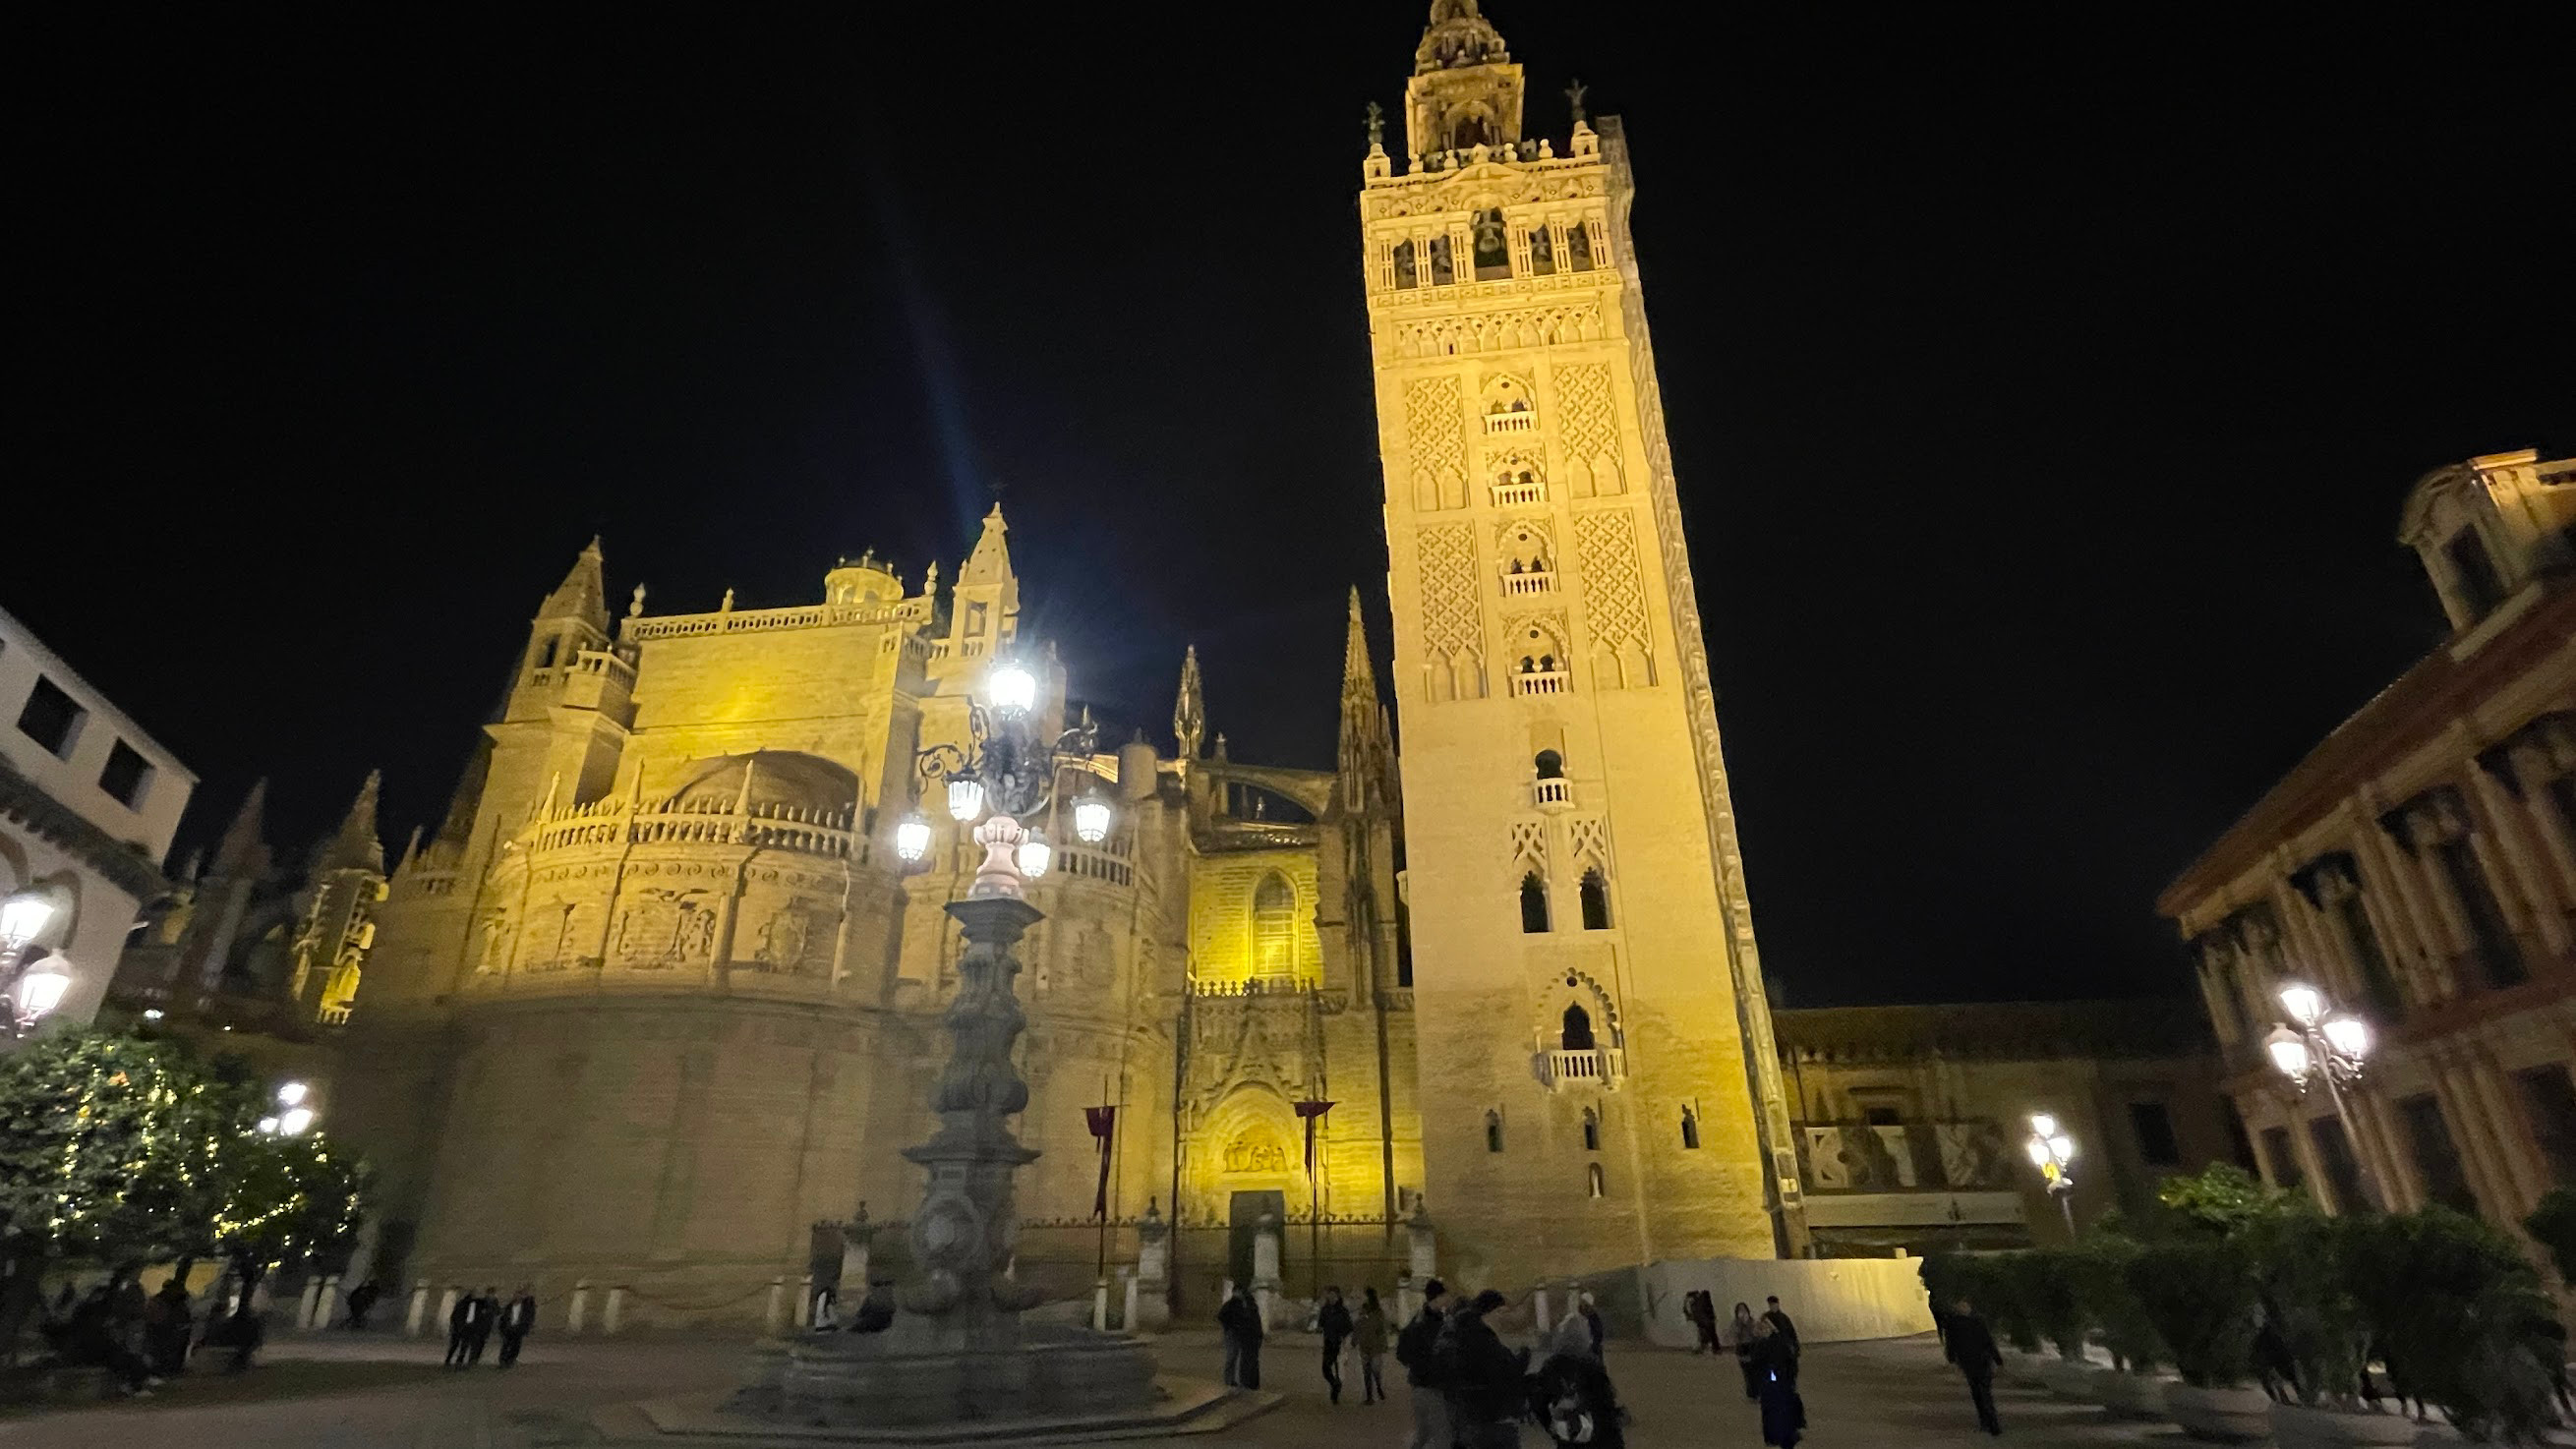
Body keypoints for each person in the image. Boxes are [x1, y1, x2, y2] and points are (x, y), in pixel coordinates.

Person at [1439, 1289, 1530, 1449]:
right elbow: (1505, 1376)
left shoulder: (1465, 1334)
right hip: (1491, 1424)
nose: (1506, 1317)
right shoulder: (1484, 1342)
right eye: (1503, 1312)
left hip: (1469, 1421)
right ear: (1494, 1312)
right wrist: (1523, 1357)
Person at [1533, 1304, 1622, 1449]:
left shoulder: (1551, 1365)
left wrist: (1550, 1424)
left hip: (1567, 1435)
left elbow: (1538, 1400)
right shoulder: (1591, 1363)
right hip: (1596, 1436)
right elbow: (1605, 1402)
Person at [1395, 1279, 1451, 1449]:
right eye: (1445, 1295)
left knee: (1423, 1434)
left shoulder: (1417, 1320)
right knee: (1442, 1438)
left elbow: (1402, 1353)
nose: (1448, 1298)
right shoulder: (1435, 1325)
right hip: (1433, 1387)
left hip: (1419, 1385)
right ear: (1438, 1297)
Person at [1943, 1296, 2005, 1436]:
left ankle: (1988, 1422)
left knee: (1980, 1392)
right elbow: (1988, 1341)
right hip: (1977, 1362)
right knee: (1982, 1392)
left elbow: (1952, 1345)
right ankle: (1989, 1422)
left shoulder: (1955, 1324)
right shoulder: (1972, 1322)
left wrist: (1952, 1361)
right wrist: (1998, 1360)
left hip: (1973, 1362)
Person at [1217, 1284, 1263, 1389]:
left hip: (1246, 1335)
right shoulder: (1232, 1304)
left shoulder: (1247, 1303)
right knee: (1232, 1356)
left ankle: (1247, 1382)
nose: (1240, 1294)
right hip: (1235, 1334)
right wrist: (1230, 1327)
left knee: (1245, 1358)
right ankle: (1230, 1380)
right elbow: (1221, 1316)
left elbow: (1253, 1319)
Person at [144, 1278, 194, 1376]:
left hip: (178, 1329)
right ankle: (165, 1370)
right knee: (165, 1351)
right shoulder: (161, 1300)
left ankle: (172, 1369)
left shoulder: (180, 1300)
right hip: (165, 1329)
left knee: (176, 1351)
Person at [1317, 1285, 1354, 1404]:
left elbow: (1348, 1328)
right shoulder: (1325, 1310)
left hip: (1339, 1344)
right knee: (1325, 1368)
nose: (1332, 1298)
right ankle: (1334, 1384)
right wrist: (1319, 1328)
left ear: (1338, 1297)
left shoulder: (1343, 1311)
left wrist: (1346, 1341)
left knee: (1339, 1371)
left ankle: (1335, 1394)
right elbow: (1320, 1324)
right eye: (1330, 1295)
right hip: (1328, 1343)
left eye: (1334, 1296)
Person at [1353, 1287, 1390, 1405]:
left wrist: (1383, 1345)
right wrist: (1355, 1340)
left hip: (1375, 1346)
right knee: (1366, 1371)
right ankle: (1370, 1396)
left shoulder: (1378, 1313)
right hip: (1365, 1345)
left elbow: (1382, 1330)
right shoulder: (1363, 1312)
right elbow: (1357, 1327)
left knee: (1375, 1370)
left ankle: (1378, 1387)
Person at [1728, 1301, 1762, 1400]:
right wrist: (1740, 1325)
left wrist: (1749, 1325)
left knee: (1755, 1370)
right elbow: (1735, 1336)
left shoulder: (1752, 1321)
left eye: (1744, 1310)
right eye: (1740, 1310)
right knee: (1747, 1372)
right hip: (1742, 1348)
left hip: (1752, 1347)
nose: (1742, 1312)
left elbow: (1757, 1334)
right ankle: (1751, 1393)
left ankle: (1757, 1391)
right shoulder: (1735, 1323)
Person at [497, 1286, 537, 1367]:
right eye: (516, 1295)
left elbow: (530, 1312)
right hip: (509, 1328)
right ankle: (503, 1361)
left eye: (519, 1295)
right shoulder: (509, 1306)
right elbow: (504, 1318)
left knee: (516, 1345)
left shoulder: (525, 1307)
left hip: (518, 1329)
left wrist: (527, 1326)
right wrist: (502, 1328)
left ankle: (510, 1360)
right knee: (506, 1345)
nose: (517, 1297)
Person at [465, 1287, 500, 1366]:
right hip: (479, 1326)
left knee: (481, 1343)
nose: (491, 1296)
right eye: (490, 1294)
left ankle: (475, 1359)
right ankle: (472, 1359)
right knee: (475, 1344)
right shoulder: (482, 1302)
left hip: (487, 1326)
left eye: (493, 1294)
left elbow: (497, 1312)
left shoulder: (495, 1302)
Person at [444, 1291, 477, 1367]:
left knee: (460, 1345)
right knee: (459, 1345)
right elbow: (455, 1316)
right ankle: (455, 1360)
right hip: (462, 1327)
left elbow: (454, 1316)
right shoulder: (463, 1305)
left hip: (465, 1327)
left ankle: (455, 1359)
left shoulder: (462, 1304)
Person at [1762, 1295, 1800, 1359]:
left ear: (1777, 1304)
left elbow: (1791, 1332)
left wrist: (1795, 1346)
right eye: (1771, 1305)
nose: (1773, 1306)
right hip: (1771, 1346)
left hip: (1783, 1346)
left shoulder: (1784, 1318)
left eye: (1774, 1304)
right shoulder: (1766, 1317)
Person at [1686, 1291, 1720, 1355]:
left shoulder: (1697, 1301)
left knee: (1706, 1333)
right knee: (1707, 1333)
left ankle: (1706, 1347)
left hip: (1703, 1320)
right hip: (1704, 1320)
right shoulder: (1697, 1301)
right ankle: (1711, 1347)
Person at [1578, 1293, 1605, 1359]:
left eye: (1584, 1303)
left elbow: (1598, 1334)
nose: (1582, 1305)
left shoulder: (1593, 1317)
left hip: (1592, 1349)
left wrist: (1592, 1346)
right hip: (1582, 1349)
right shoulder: (1579, 1317)